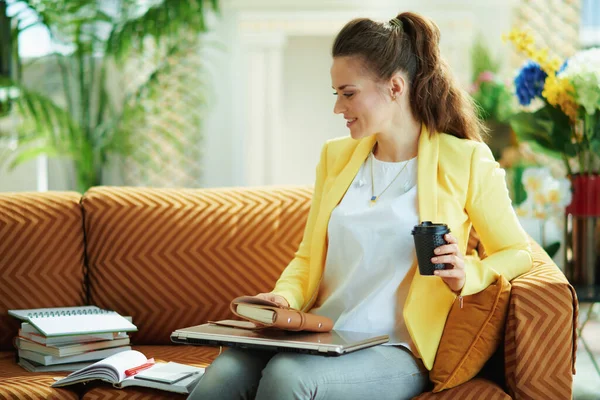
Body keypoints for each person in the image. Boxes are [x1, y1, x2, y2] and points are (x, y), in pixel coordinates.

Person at [188, 11, 532, 400]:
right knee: (225, 372)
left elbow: (517, 252)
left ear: (396, 87)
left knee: (288, 377)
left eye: (348, 93)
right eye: (335, 94)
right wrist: (283, 299)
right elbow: (307, 258)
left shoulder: (466, 161)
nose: (338, 108)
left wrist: (467, 273)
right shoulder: (335, 157)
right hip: (321, 333)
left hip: (395, 349)